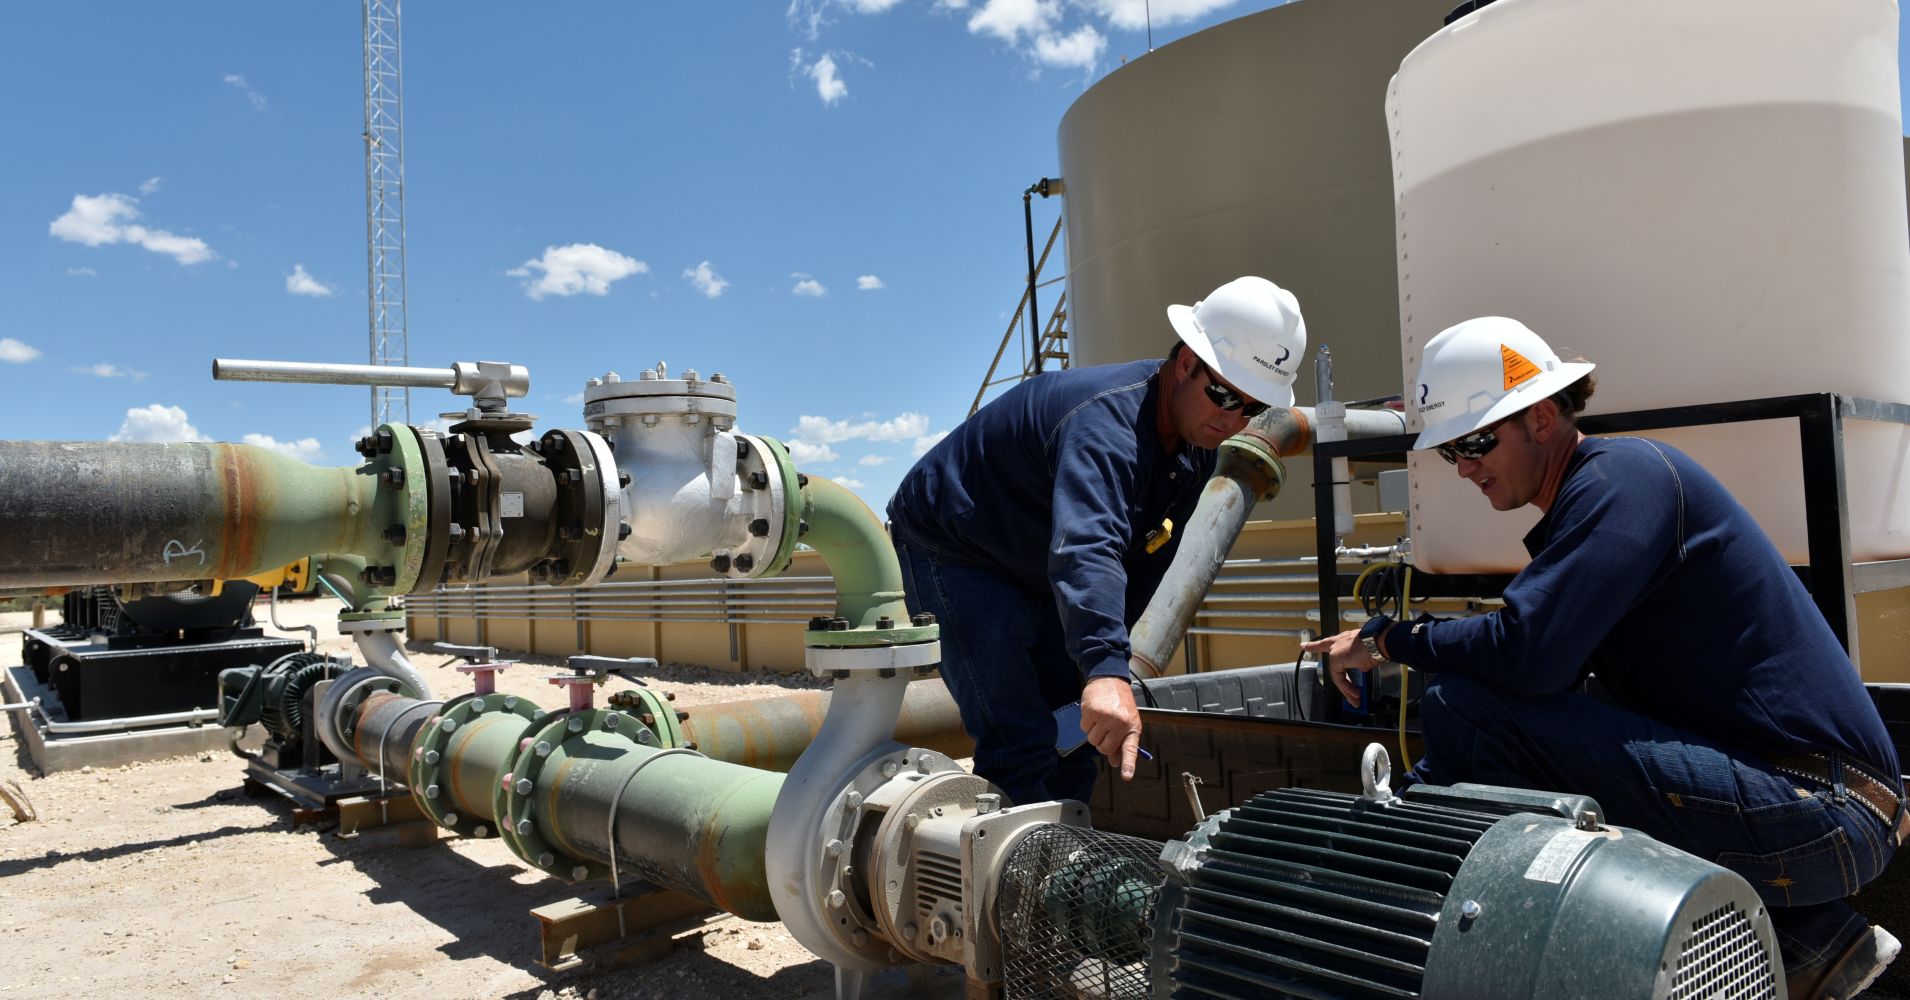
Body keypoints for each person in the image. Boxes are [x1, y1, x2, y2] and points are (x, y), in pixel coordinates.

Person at [1303, 316, 1904, 1000]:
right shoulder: (1596, 501)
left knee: (1463, 704)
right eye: (1450, 453)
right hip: (1803, 801)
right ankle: (1811, 943)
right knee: (1493, 722)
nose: (1465, 466)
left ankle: (1550, 953)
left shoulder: (1622, 480)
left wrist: (1389, 639)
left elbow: (1528, 656)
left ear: (1541, 417)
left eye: (1474, 441)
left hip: (1820, 805)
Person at [888, 276, 1306, 806]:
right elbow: (1088, 546)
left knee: (1078, 734)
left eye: (1251, 409)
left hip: (1035, 554)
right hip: (956, 546)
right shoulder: (1104, 423)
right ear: (1185, 363)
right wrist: (1106, 668)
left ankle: (1065, 866)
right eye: (1223, 394)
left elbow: (1148, 555)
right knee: (1019, 738)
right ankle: (1004, 879)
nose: (1231, 419)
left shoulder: (1196, 449)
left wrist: (1104, 668)